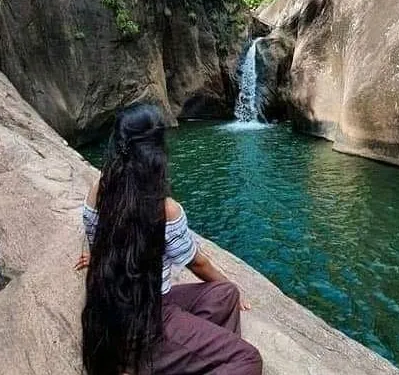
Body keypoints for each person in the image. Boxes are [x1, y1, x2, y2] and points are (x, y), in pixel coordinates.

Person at [75, 103, 263, 375]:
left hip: (117, 313)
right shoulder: (165, 208)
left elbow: (100, 238)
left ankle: (181, 359)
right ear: (155, 151)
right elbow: (197, 264)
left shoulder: (99, 190)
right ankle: (165, 358)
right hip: (145, 319)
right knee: (247, 359)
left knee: (226, 293)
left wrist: (232, 285)